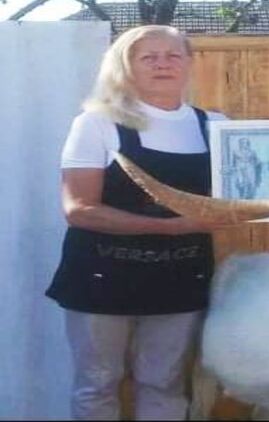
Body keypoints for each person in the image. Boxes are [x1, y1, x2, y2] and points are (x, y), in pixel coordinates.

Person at [45, 25, 227, 420]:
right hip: (101, 279)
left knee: (165, 382)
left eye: (173, 55)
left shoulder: (217, 126)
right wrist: (171, 227)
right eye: (149, 57)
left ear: (189, 63)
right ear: (125, 66)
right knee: (97, 383)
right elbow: (78, 209)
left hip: (181, 277)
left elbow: (251, 192)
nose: (163, 64)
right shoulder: (96, 124)